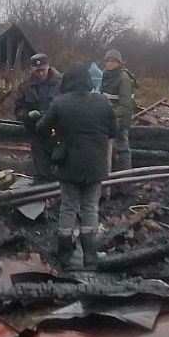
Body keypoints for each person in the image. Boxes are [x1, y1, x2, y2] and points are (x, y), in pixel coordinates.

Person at [36, 64, 117, 269]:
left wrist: (58, 137)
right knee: (91, 207)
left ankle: (65, 255)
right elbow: (113, 131)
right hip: (96, 165)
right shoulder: (103, 102)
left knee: (69, 207)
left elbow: (41, 127)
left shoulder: (60, 102)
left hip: (69, 165)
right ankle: (90, 255)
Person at [14, 53, 63, 184]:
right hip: (37, 133)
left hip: (59, 133)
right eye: (37, 71)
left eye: (43, 70)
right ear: (32, 70)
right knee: (41, 171)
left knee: (61, 168)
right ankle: (41, 195)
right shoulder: (25, 87)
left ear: (49, 67)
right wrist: (28, 115)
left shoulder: (62, 83)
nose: (41, 74)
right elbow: (18, 110)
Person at [100, 49, 137, 171]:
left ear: (119, 63)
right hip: (107, 117)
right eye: (108, 61)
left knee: (122, 148)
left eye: (113, 61)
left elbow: (125, 105)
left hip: (120, 119)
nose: (109, 63)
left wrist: (112, 116)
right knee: (107, 148)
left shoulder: (123, 78)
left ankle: (125, 179)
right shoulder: (106, 75)